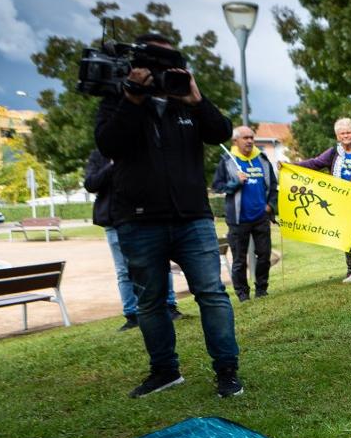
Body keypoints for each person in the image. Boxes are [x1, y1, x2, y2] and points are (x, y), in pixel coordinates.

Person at [94, 32, 242, 398]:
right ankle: (164, 371)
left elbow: (221, 132)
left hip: (192, 217)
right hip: (138, 220)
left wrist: (196, 98)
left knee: (212, 294)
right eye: (152, 63)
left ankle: (227, 370)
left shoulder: (185, 101)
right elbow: (108, 144)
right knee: (150, 301)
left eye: (168, 63)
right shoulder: (118, 98)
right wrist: (132, 98)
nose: (160, 71)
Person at [84, 148, 181, 330]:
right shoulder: (99, 156)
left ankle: (169, 306)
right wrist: (112, 166)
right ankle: (132, 314)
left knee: (160, 261)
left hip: (145, 216)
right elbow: (90, 184)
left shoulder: (141, 149)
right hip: (113, 219)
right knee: (123, 270)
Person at [292, 117, 351, 283]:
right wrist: (291, 165)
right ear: (337, 136)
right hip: (342, 204)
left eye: (348, 132)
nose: (346, 136)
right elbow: (314, 163)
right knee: (347, 240)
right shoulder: (333, 153)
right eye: (342, 133)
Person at [212, 126, 278, 301]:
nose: (249, 141)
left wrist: (270, 206)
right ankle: (243, 294)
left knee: (264, 255)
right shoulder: (227, 161)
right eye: (245, 138)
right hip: (238, 219)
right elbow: (217, 186)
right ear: (236, 141)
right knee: (239, 260)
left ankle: (261, 290)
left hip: (260, 217)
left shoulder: (262, 159)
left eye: (251, 137)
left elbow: (272, 186)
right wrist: (236, 183)